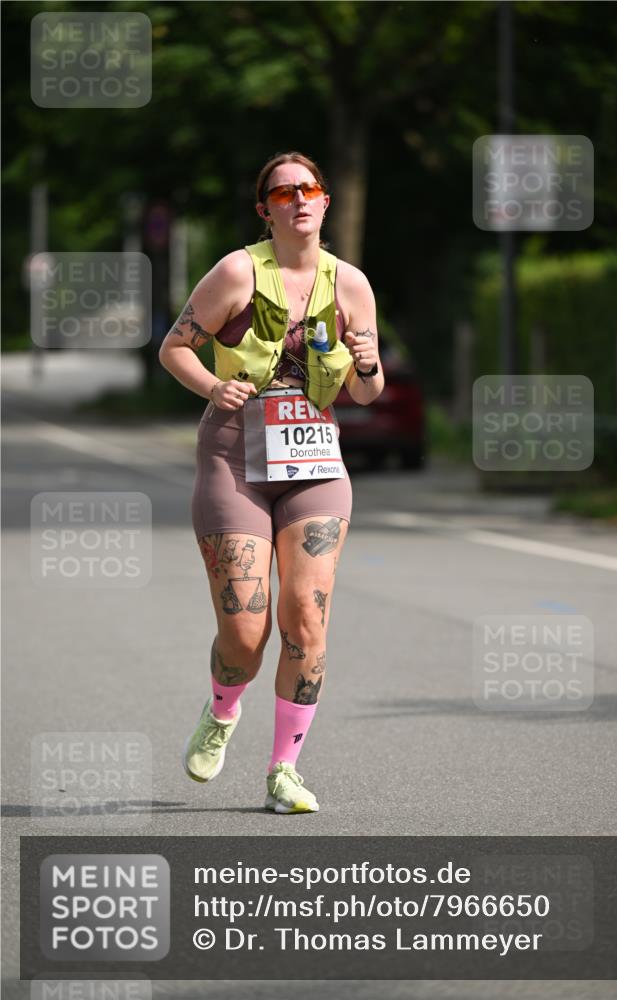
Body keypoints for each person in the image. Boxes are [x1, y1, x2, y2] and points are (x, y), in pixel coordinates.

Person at [158, 151, 384, 813]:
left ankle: (284, 770)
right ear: (266, 210)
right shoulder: (237, 272)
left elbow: (364, 393)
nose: (299, 200)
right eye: (284, 193)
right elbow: (174, 347)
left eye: (309, 189)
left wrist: (368, 363)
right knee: (244, 632)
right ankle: (222, 709)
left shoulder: (350, 285)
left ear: (326, 201)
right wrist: (212, 385)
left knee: (306, 619)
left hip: (314, 465)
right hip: (235, 460)